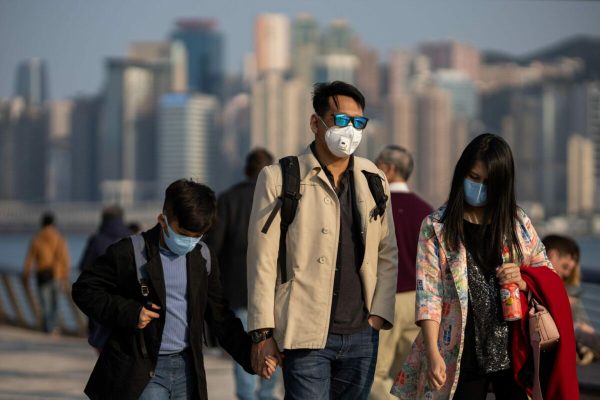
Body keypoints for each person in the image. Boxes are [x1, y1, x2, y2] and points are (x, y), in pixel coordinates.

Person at [391, 133, 578, 399]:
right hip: (460, 352)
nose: (478, 187)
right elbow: (428, 295)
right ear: (462, 174)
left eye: (488, 182)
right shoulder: (436, 227)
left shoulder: (516, 222)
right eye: (474, 178)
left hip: (515, 351)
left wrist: (524, 279)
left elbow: (546, 270)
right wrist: (433, 352)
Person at [247, 81, 398, 399]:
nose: (350, 130)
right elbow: (262, 260)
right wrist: (262, 332)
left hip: (361, 333)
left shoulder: (374, 179)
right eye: (341, 120)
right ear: (316, 122)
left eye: (358, 122)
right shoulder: (280, 177)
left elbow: (387, 252)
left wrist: (378, 315)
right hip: (305, 333)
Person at [72, 179, 275, 400]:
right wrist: (129, 312)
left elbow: (220, 316)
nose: (189, 242)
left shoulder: (203, 257)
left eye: (197, 236)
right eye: (184, 234)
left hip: (188, 369)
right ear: (163, 220)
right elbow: (84, 289)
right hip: (143, 370)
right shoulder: (129, 252)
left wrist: (251, 356)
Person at [205, 147, 281, 400]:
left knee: (244, 346)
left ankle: (248, 396)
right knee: (274, 344)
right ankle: (269, 395)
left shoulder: (227, 199)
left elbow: (213, 246)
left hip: (238, 287)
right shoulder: (280, 198)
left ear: (245, 170)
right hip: (274, 287)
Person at [370, 146, 433, 400]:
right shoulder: (426, 211)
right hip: (419, 302)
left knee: (373, 374)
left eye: (377, 163)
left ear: (389, 169)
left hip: (385, 300)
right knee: (411, 374)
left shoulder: (375, 208)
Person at [543, 234, 599, 364]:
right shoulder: (539, 284)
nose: (567, 274)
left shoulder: (559, 287)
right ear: (552, 255)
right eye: (565, 267)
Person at [23, 212, 70, 333]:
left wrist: (26, 276)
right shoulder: (59, 238)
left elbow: (29, 260)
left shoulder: (36, 239)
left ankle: (47, 328)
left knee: (45, 304)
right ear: (53, 224)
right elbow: (65, 259)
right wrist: (65, 277)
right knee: (55, 303)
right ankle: (53, 327)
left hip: (42, 275)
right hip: (57, 275)